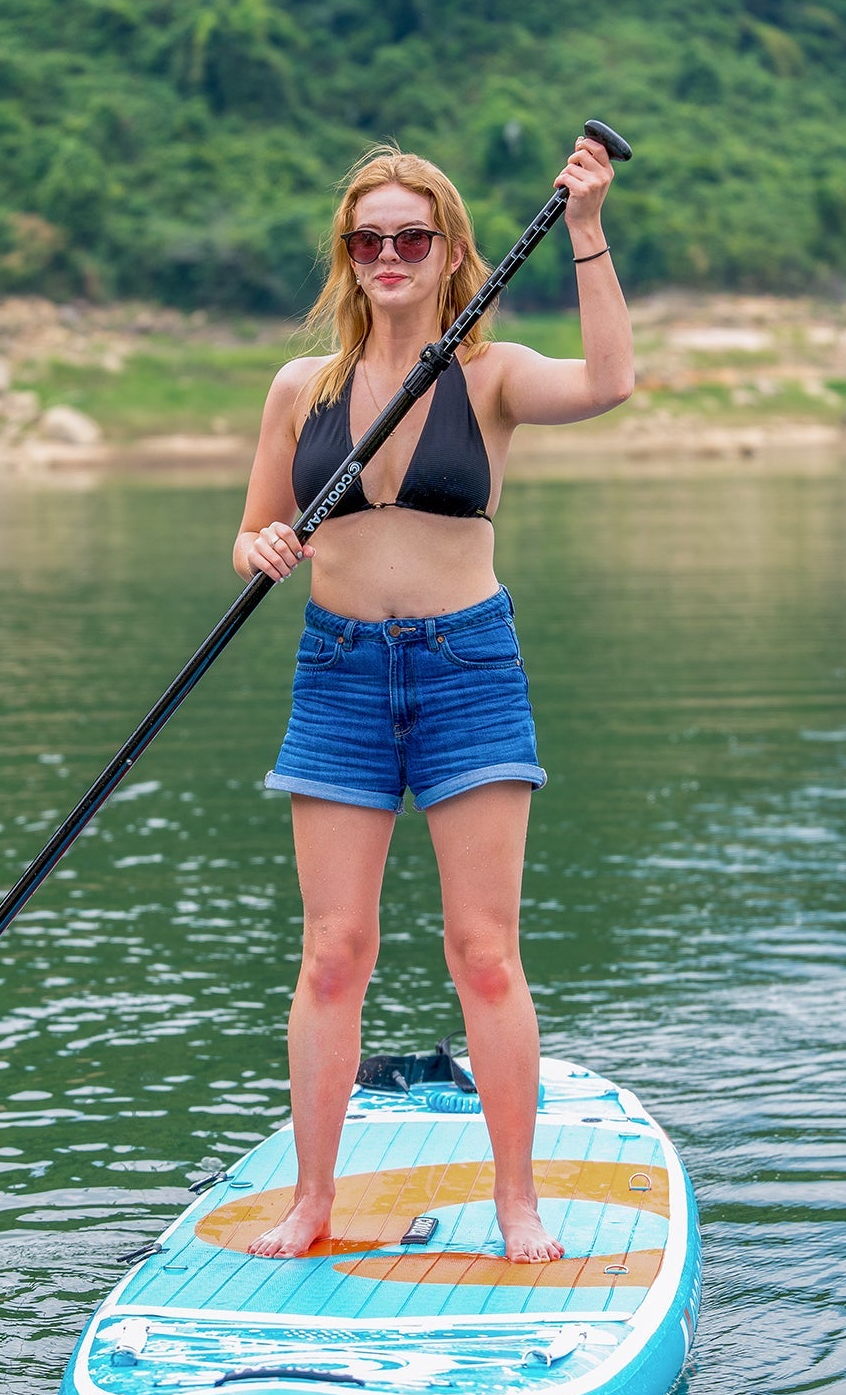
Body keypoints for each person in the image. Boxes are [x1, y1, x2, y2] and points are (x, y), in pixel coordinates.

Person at [231, 136, 633, 1262]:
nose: (390, 254)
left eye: (412, 236)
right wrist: (261, 545)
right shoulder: (297, 391)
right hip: (339, 673)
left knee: (484, 952)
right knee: (332, 953)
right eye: (370, 239)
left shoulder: (493, 375)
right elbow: (255, 531)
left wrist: (588, 230)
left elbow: (609, 384)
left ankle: (517, 1203)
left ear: (451, 250)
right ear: (348, 256)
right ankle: (312, 1202)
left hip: (468, 671)